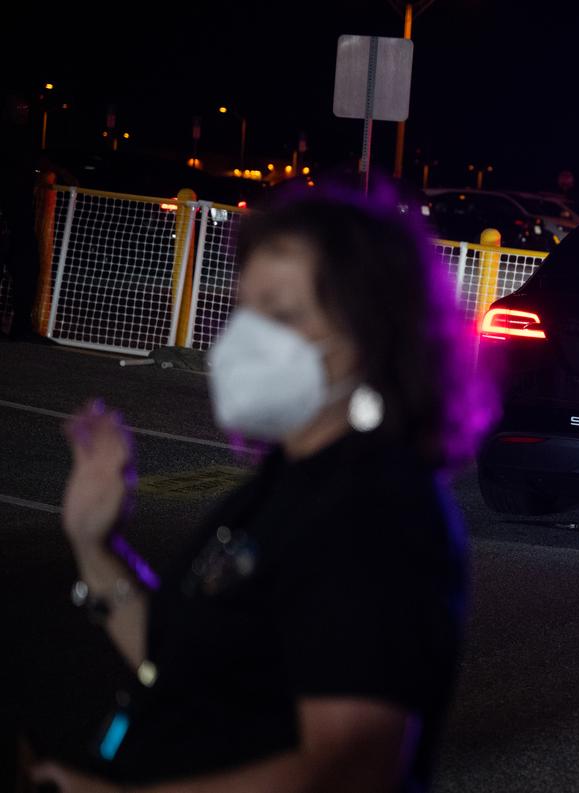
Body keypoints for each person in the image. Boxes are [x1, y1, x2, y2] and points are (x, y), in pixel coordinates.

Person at [29, 188, 493, 793]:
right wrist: (94, 547)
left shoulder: (377, 512)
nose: (249, 339)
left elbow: (352, 770)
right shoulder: (287, 482)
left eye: (283, 314)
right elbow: (190, 667)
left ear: (373, 333)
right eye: (245, 309)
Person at [1, 91, 42, 341]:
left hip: (20, 215)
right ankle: (20, 326)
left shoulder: (23, 137)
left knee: (26, 267)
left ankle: (21, 325)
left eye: (26, 108)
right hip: (10, 213)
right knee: (23, 265)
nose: (24, 112)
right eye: (20, 107)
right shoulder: (9, 136)